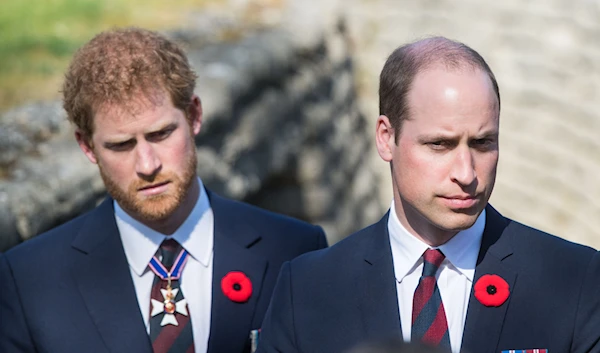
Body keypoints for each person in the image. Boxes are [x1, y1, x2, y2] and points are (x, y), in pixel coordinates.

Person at [257, 36, 600, 353]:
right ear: (385, 137)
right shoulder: (306, 290)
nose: (466, 173)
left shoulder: (577, 280)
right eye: (440, 144)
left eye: (483, 143)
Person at [0, 27, 327, 353]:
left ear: (194, 116)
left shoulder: (294, 250)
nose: (147, 164)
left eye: (160, 134)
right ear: (87, 147)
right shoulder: (28, 280)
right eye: (121, 145)